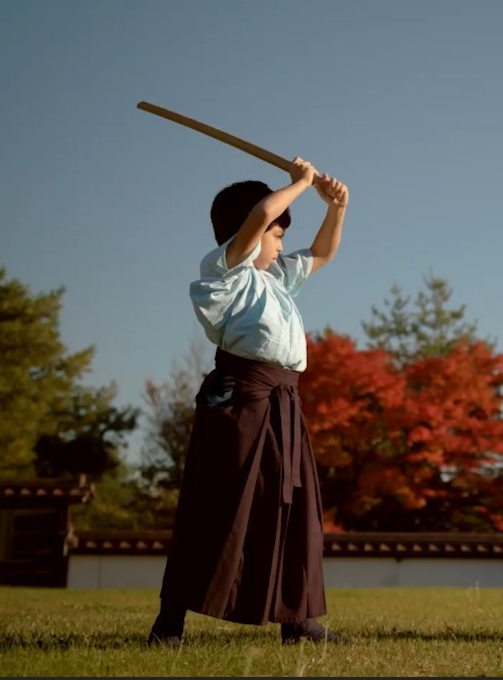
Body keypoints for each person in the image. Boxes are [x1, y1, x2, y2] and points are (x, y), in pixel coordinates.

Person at [147, 157, 350, 647]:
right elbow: (260, 217)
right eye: (277, 235)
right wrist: (299, 183)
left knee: (292, 506)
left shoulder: (274, 279)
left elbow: (322, 254)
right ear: (248, 232)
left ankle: (295, 621)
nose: (281, 242)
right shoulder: (223, 271)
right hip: (240, 401)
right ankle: (169, 624)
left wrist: (336, 207)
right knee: (218, 507)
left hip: (284, 401)